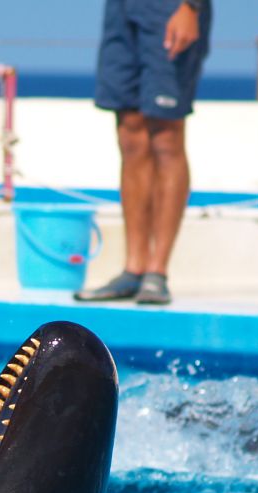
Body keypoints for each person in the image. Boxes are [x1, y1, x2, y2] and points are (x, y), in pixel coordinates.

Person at [75, 0, 211, 305]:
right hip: (122, 9)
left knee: (165, 135)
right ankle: (134, 268)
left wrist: (191, 7)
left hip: (171, 8)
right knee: (130, 132)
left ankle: (157, 272)